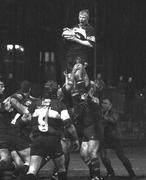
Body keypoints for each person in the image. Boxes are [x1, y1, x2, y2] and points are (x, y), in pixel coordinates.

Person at [21, 81, 79, 180]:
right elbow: (69, 125)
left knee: (32, 170)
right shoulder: (60, 105)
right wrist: (76, 139)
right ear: (56, 92)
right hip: (53, 140)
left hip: (37, 139)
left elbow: (23, 119)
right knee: (61, 168)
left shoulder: (35, 104)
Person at [100, 98, 136, 180]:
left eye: (105, 103)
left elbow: (113, 120)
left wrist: (103, 117)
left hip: (115, 137)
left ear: (110, 105)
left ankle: (132, 174)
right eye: (102, 103)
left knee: (121, 156)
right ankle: (110, 172)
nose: (103, 104)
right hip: (106, 138)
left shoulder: (114, 111)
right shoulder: (103, 112)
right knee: (103, 156)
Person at [62, 9, 95, 75]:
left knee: (77, 76)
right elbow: (66, 36)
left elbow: (90, 44)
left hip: (80, 55)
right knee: (69, 76)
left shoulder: (90, 29)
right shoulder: (74, 27)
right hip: (70, 55)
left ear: (87, 18)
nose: (81, 19)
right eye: (80, 17)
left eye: (83, 18)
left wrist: (76, 39)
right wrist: (67, 32)